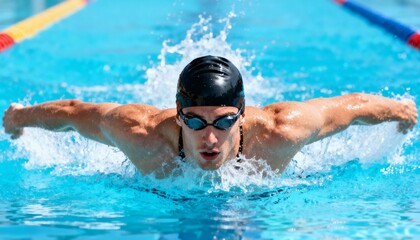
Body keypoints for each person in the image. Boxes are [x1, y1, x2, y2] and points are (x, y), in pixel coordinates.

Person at [2, 56, 418, 176]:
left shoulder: (280, 131)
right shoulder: (141, 133)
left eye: (222, 121)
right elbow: (75, 114)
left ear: (241, 116)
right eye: (195, 122)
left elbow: (351, 107)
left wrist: (401, 111)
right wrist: (18, 119)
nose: (210, 137)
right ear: (179, 117)